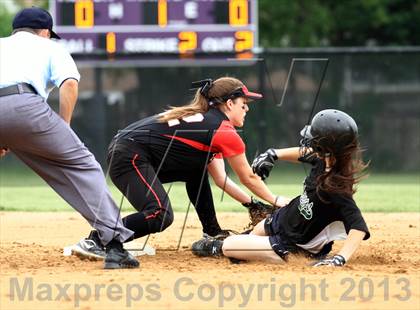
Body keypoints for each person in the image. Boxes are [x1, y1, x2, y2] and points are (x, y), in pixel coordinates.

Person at [75, 76, 289, 258]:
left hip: (129, 152)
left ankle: (212, 232)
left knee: (196, 169)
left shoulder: (207, 122)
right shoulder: (222, 131)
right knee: (160, 214)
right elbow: (248, 177)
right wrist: (277, 201)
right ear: (229, 104)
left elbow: (221, 179)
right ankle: (97, 240)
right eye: (244, 103)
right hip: (130, 156)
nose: (247, 109)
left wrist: (251, 204)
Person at [0, 7, 138, 269]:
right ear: (45, 32)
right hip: (26, 108)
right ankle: (115, 247)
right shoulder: (50, 47)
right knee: (83, 166)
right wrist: (64, 126)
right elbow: (70, 84)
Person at [192, 109, 371, 267]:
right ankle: (249, 247)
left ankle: (223, 248)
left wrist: (339, 258)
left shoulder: (337, 188)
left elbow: (358, 226)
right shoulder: (324, 160)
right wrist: (274, 154)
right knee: (255, 233)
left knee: (230, 245)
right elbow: (305, 154)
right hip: (285, 220)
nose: (307, 144)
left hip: (294, 244)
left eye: (313, 140)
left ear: (325, 149)